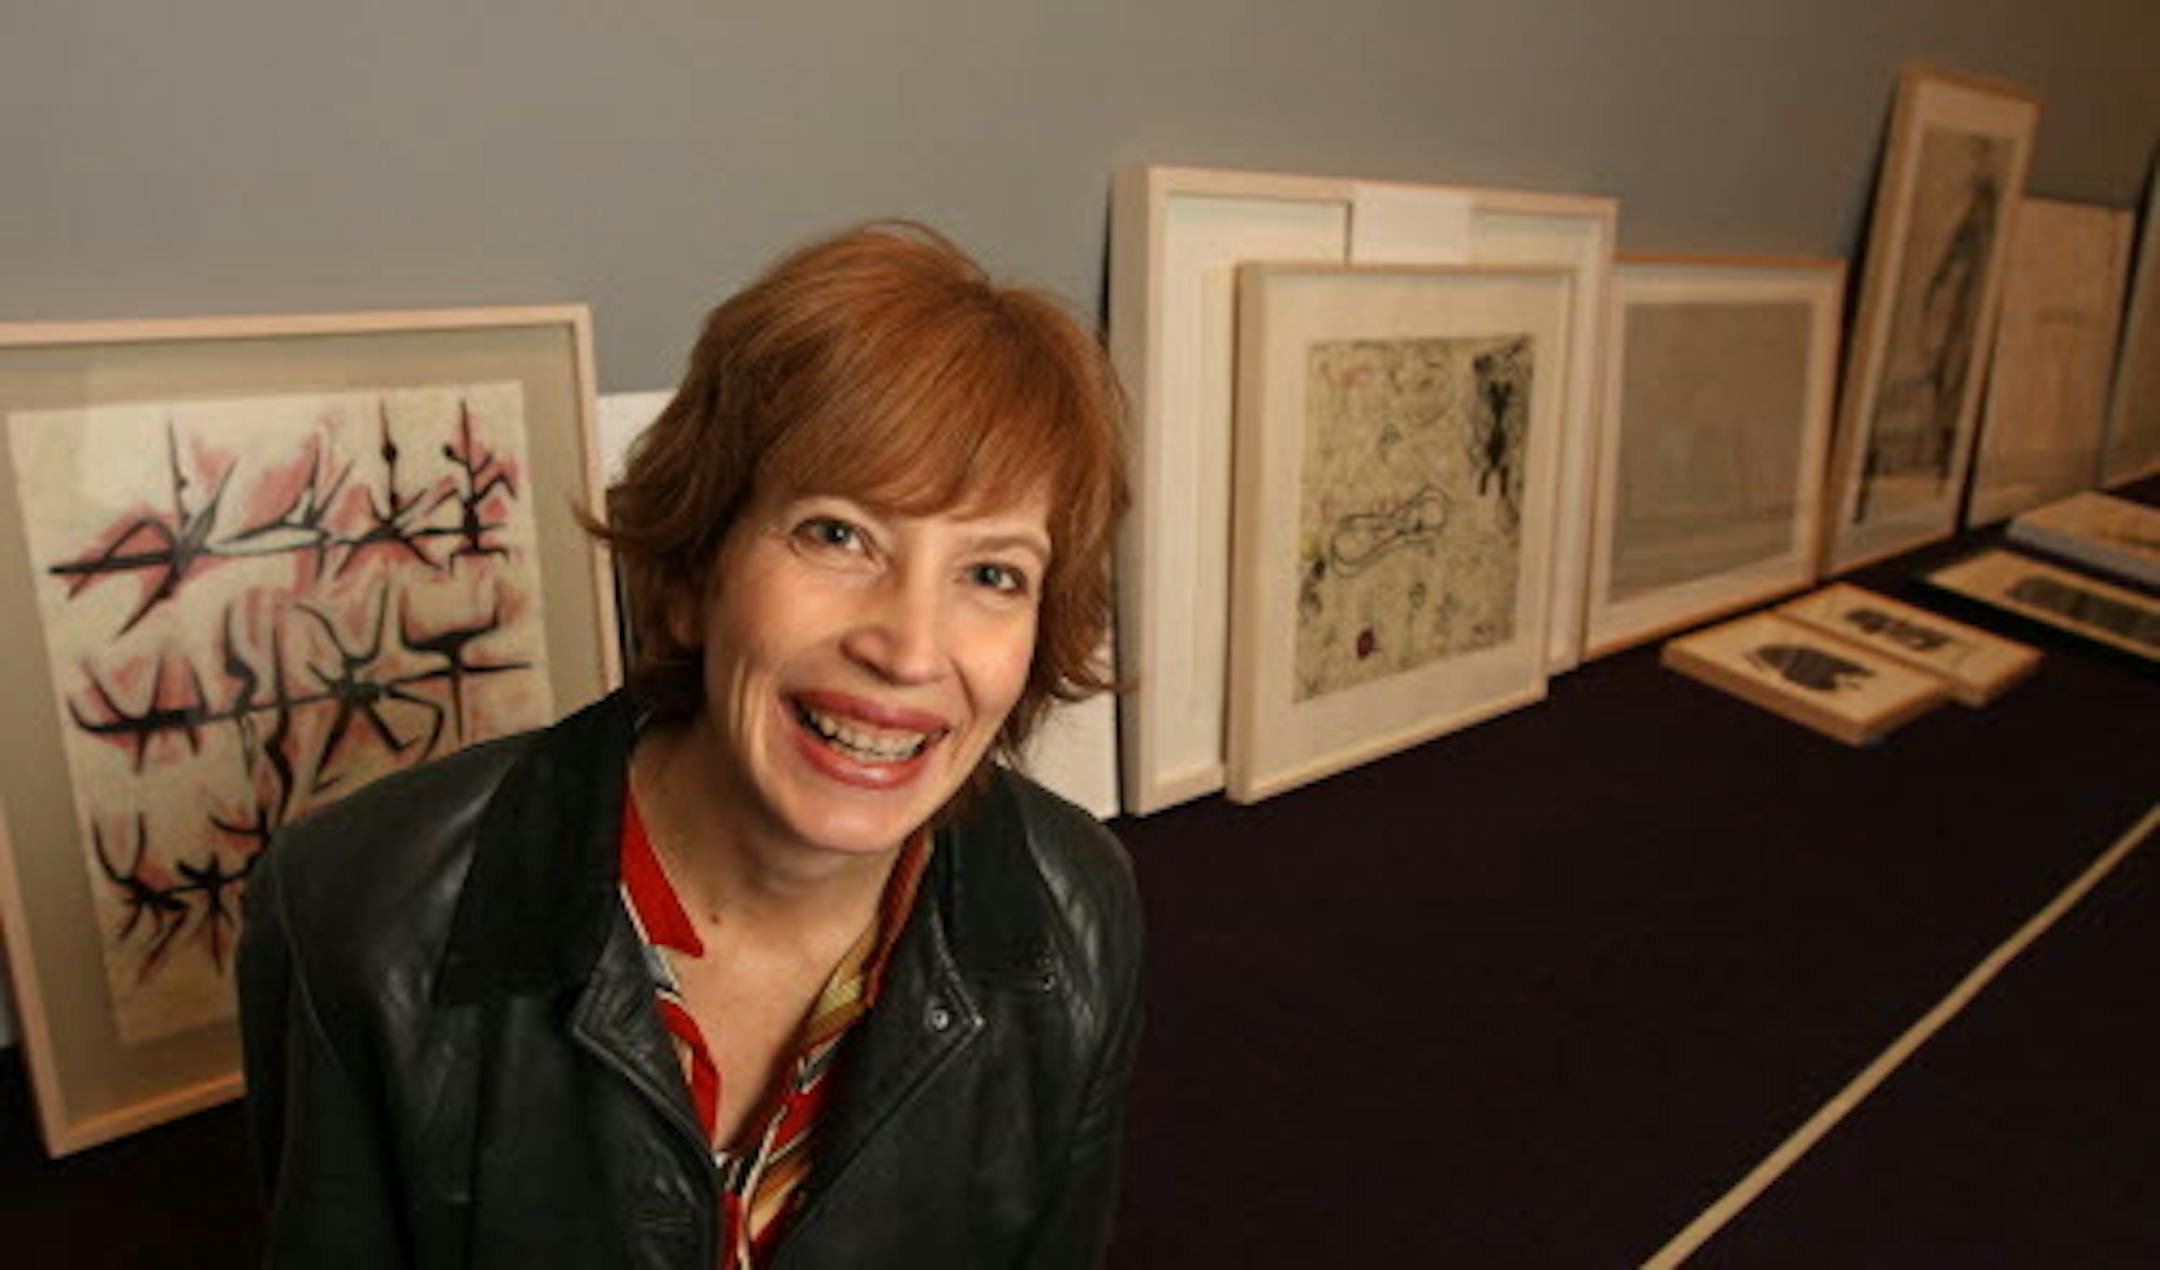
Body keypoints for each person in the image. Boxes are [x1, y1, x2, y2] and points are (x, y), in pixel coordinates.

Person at [237, 221, 1141, 1269]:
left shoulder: (1080, 916)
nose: (908, 648)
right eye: (837, 534)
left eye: (992, 574)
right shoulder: (363, 911)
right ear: (691, 575)